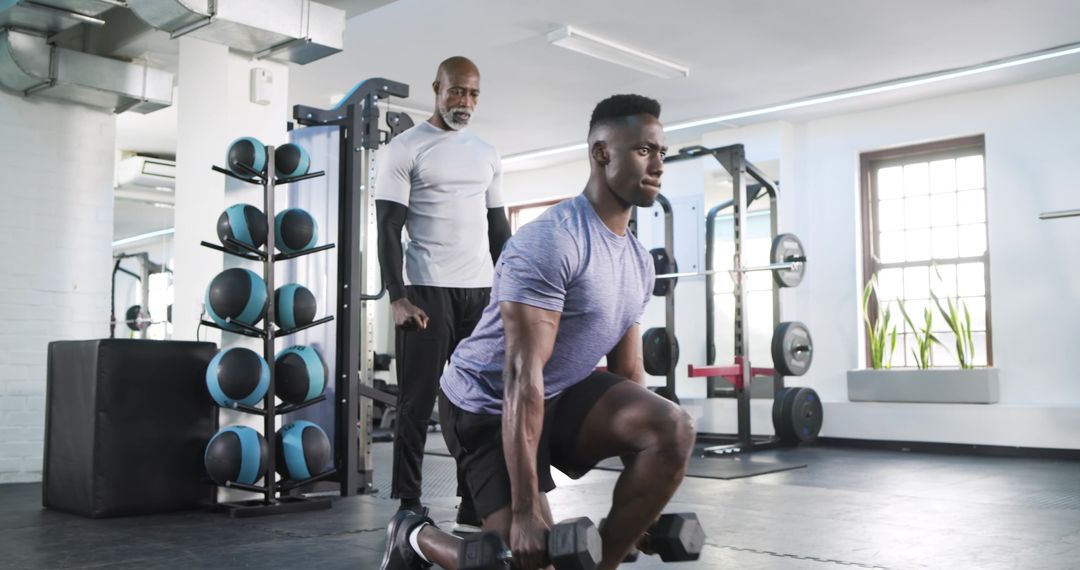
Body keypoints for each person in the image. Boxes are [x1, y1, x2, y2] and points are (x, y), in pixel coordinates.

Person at [379, 94, 697, 570]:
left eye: (661, 153)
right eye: (644, 151)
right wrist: (527, 511)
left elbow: (627, 373)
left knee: (673, 426)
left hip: (559, 394)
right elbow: (520, 377)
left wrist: (637, 515)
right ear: (602, 153)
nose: (658, 166)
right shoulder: (552, 240)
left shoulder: (636, 261)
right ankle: (413, 537)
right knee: (525, 560)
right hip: (483, 405)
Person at [375, 55, 512, 532]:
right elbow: (388, 227)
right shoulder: (405, 149)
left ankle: (473, 498)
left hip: (479, 294)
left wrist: (512, 291)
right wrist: (397, 295)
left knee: (480, 402)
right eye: (456, 91)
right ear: (437, 88)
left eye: (473, 93)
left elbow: (499, 230)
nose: (465, 102)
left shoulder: (487, 152)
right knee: (417, 401)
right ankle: (409, 501)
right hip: (427, 291)